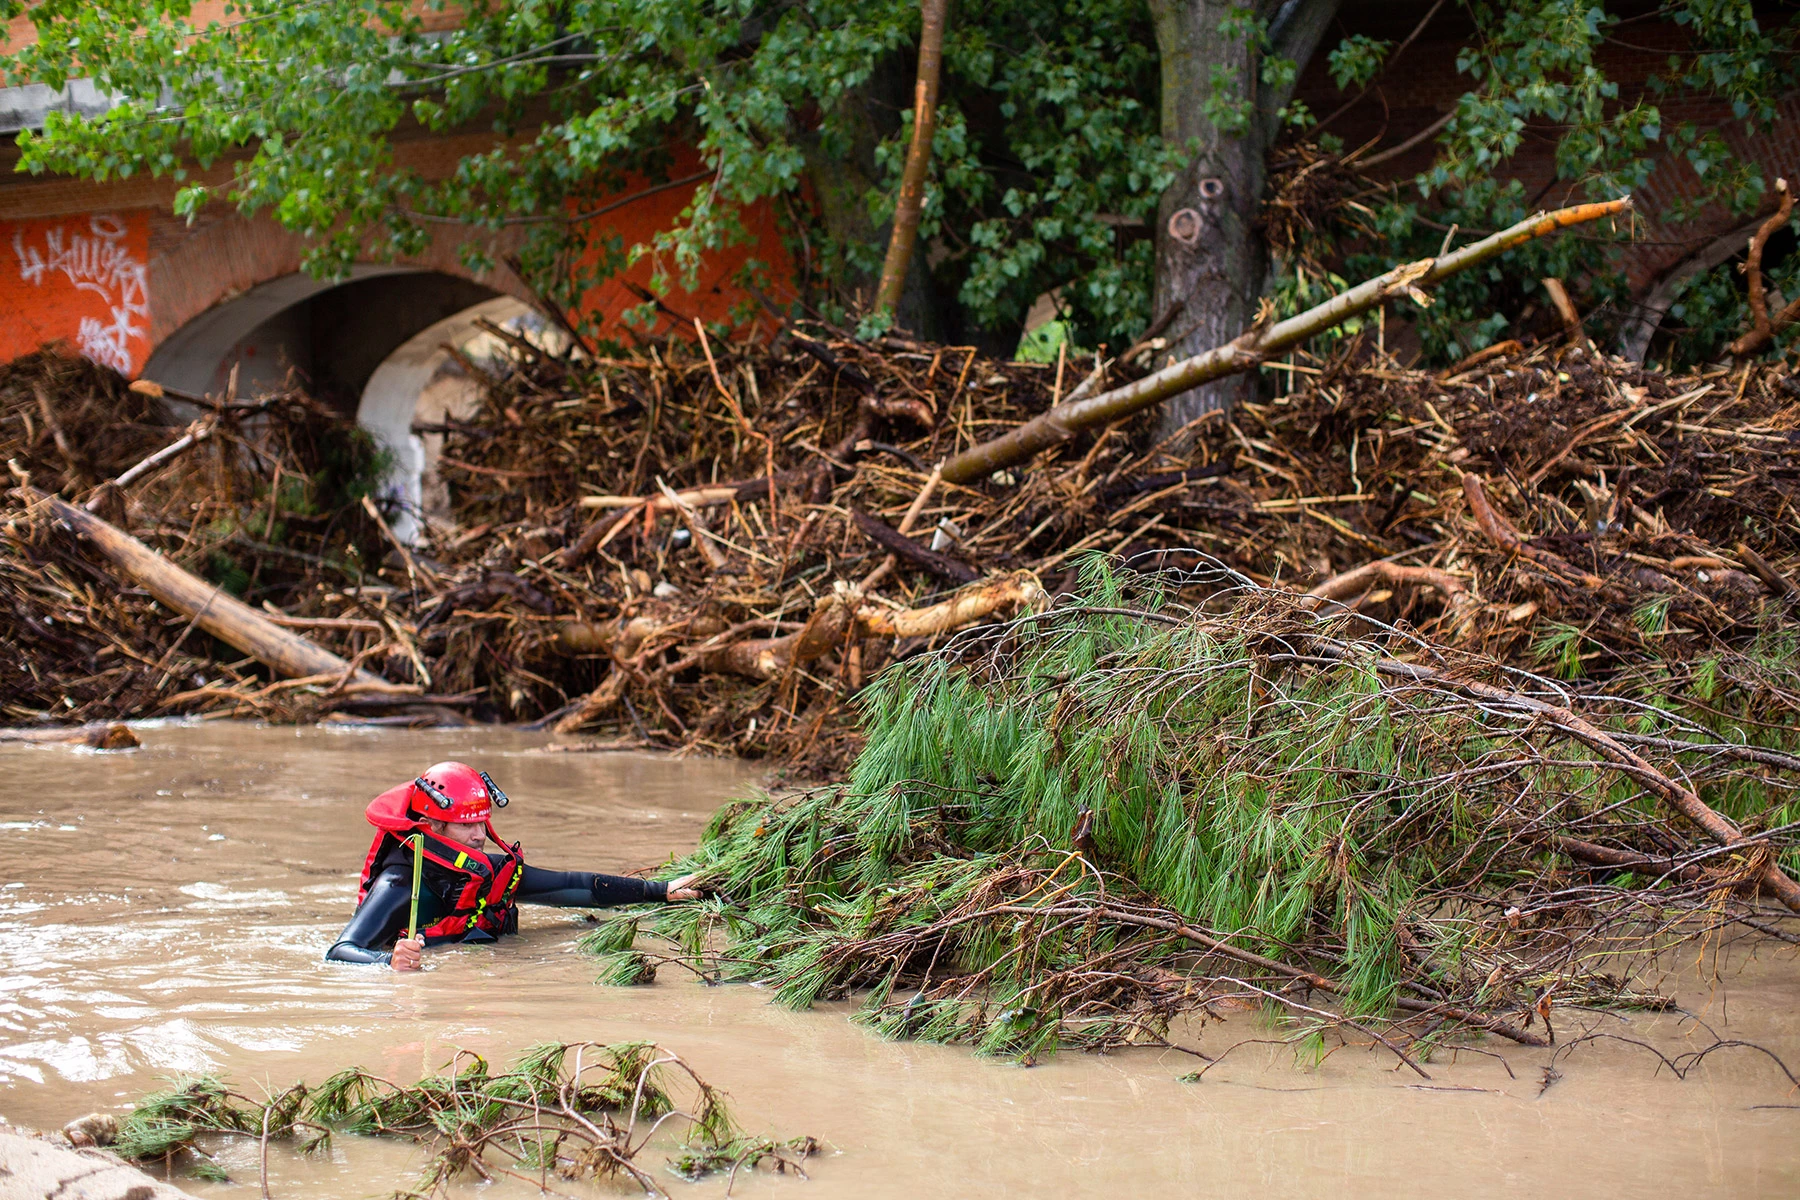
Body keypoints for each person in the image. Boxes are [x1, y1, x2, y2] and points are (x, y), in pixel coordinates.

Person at [327, 761, 700, 970]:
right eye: (466, 825)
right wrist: (387, 962)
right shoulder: (397, 885)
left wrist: (662, 891)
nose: (478, 836)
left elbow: (573, 886)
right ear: (433, 826)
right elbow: (340, 951)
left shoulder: (482, 871)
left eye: (482, 823)